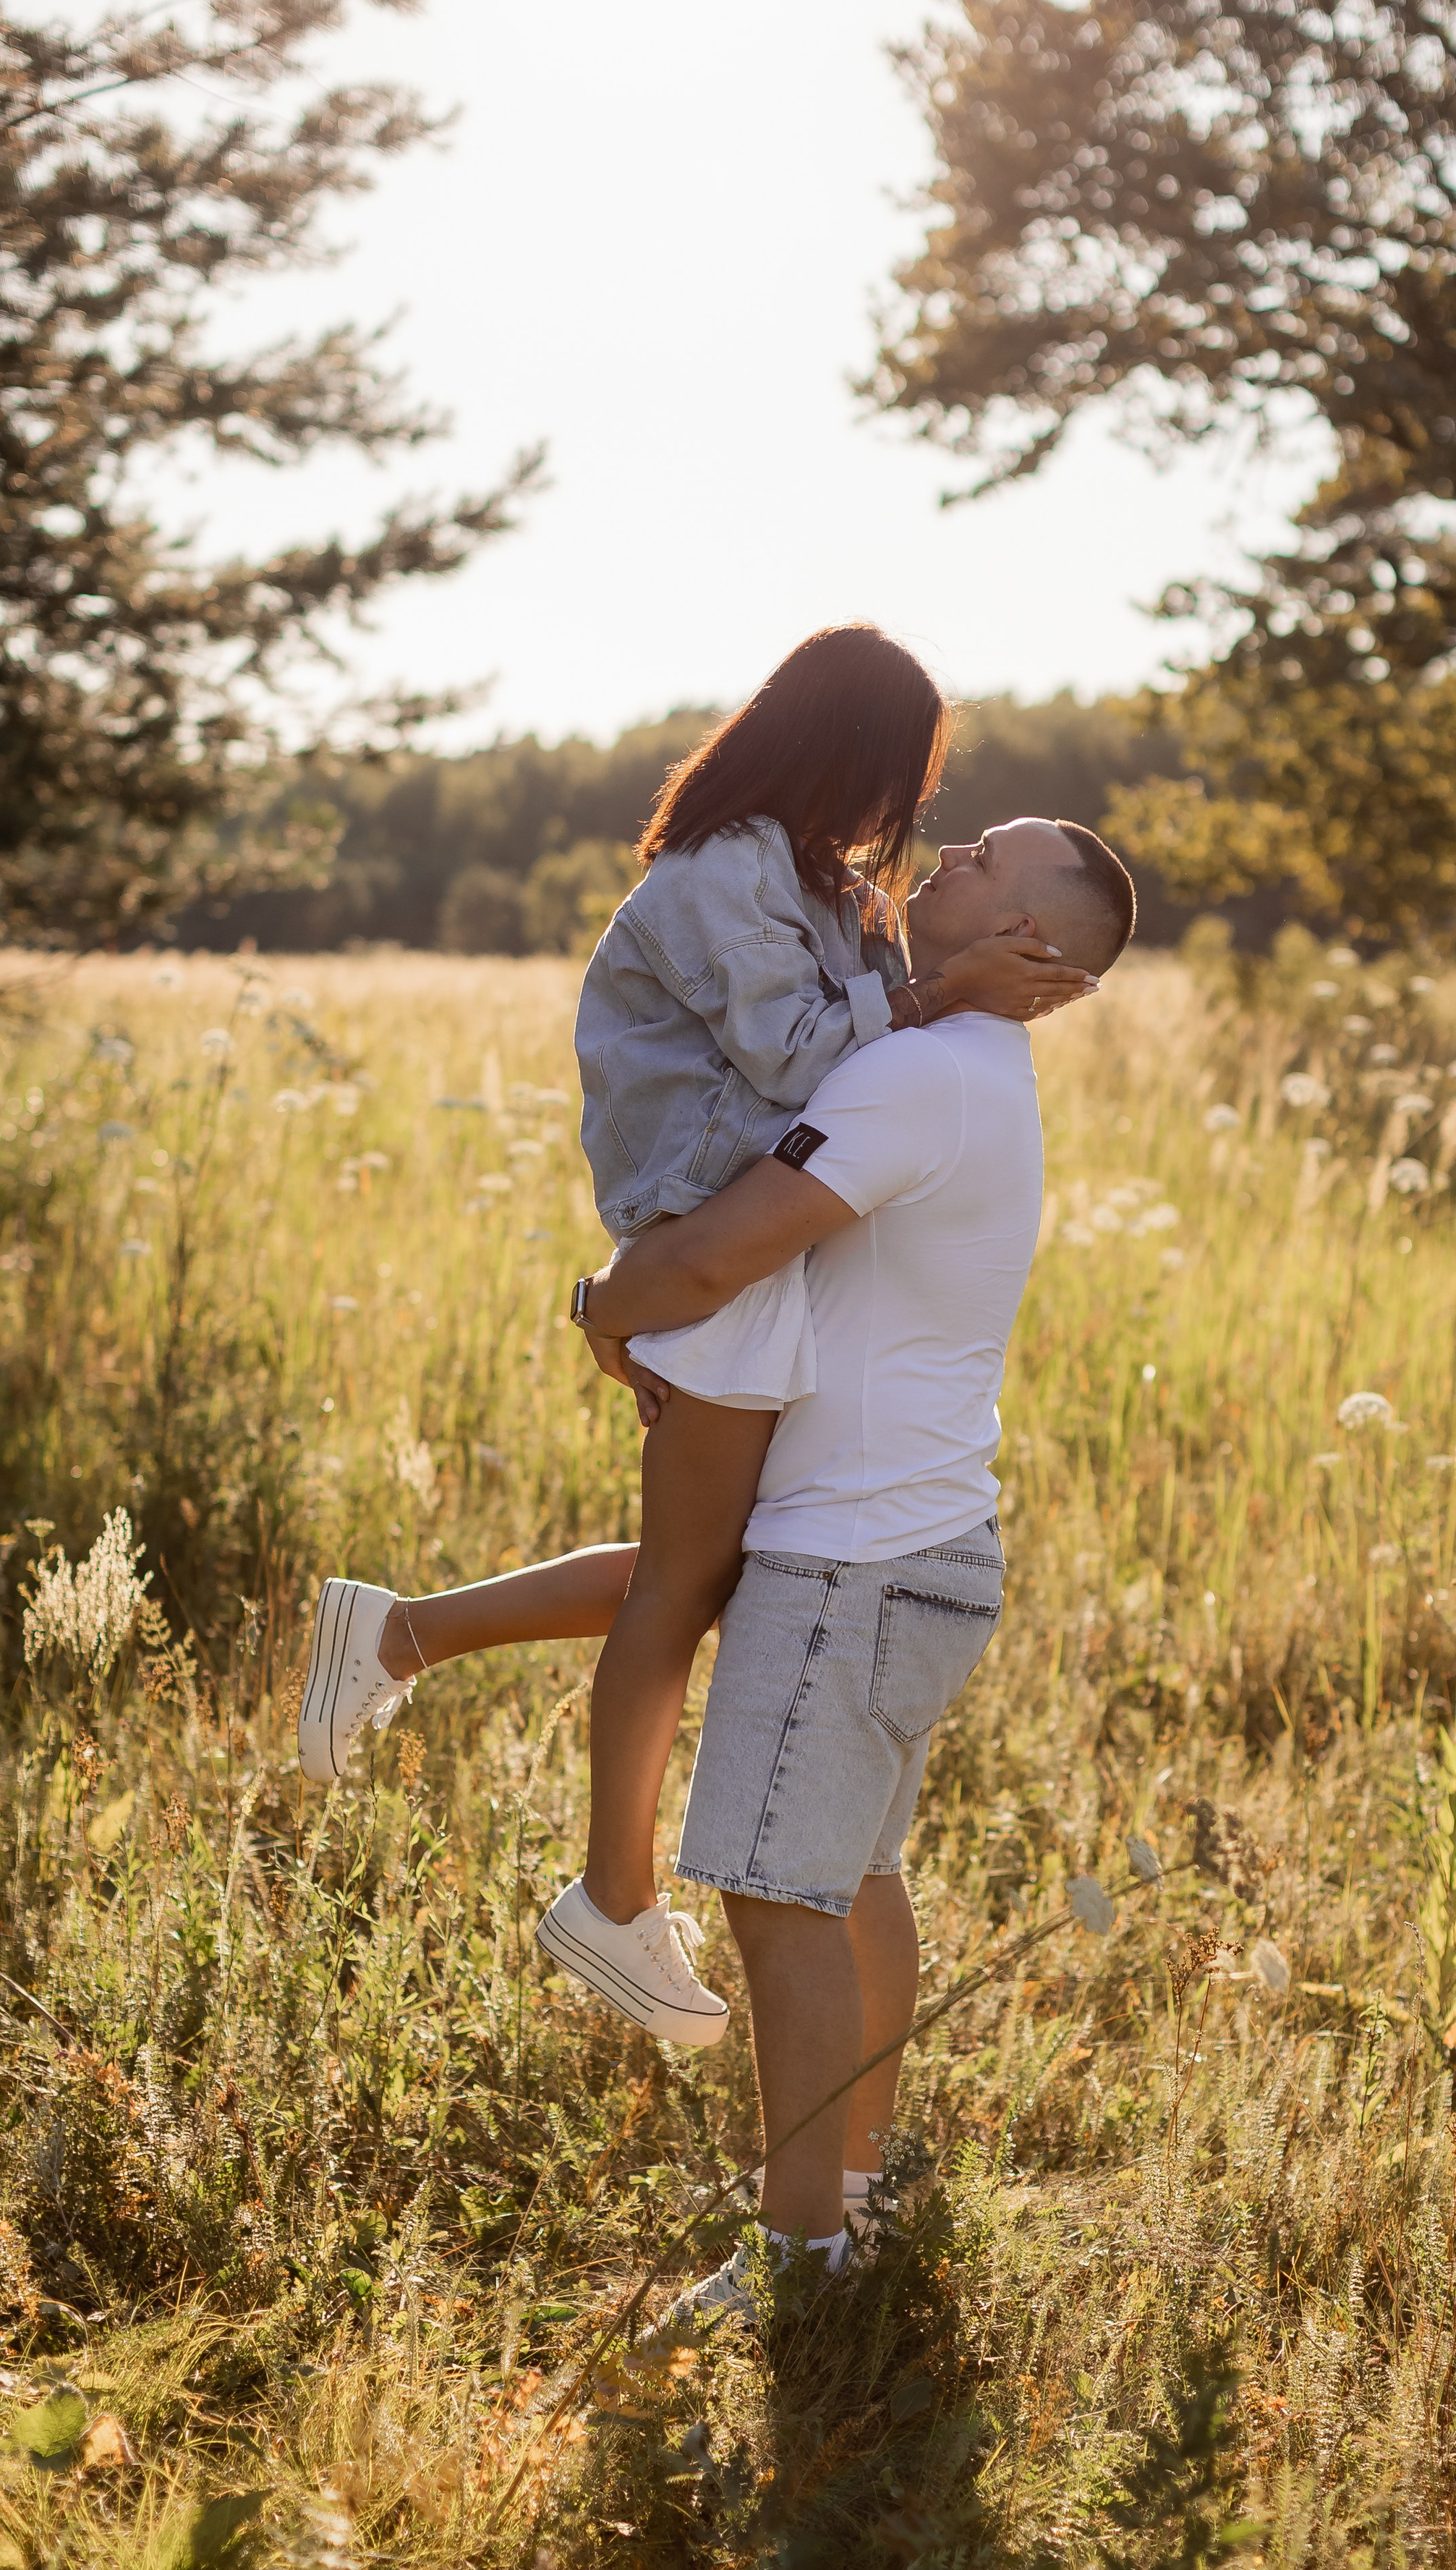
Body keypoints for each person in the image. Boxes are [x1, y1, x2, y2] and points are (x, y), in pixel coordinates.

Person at [296, 629, 1096, 2051]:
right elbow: (797, 1056)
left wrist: (937, 973)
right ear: (842, 750)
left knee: (711, 1567)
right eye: (906, 779)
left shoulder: (823, 885)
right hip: (700, 1222)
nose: (915, 818)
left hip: (736, 1230)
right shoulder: (721, 871)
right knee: (687, 1580)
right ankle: (609, 1893)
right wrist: (946, 989)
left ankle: (403, 1634)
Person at [579, 813, 1137, 2323]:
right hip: (925, 1550)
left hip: (850, 1563)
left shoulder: (915, 1077)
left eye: (983, 858)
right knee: (850, 1879)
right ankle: (859, 2195)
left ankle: (801, 2260)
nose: (945, 853)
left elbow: (714, 1257)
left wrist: (602, 1305)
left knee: (777, 1902)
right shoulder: (969, 1070)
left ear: (1026, 941)